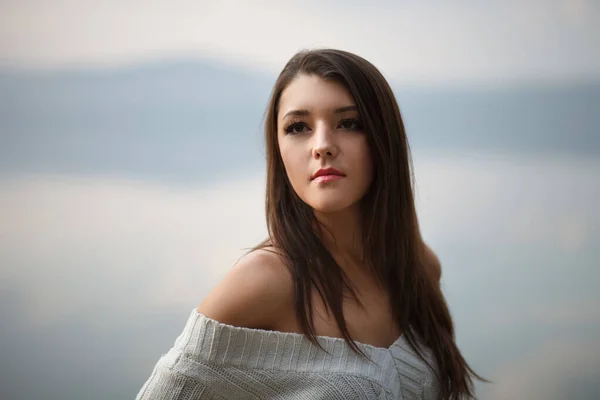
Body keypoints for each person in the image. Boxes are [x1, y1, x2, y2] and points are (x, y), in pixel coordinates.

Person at [136, 49, 483, 399]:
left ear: (383, 139)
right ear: (279, 148)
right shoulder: (264, 280)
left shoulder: (419, 266)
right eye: (298, 127)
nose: (322, 146)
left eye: (348, 123)